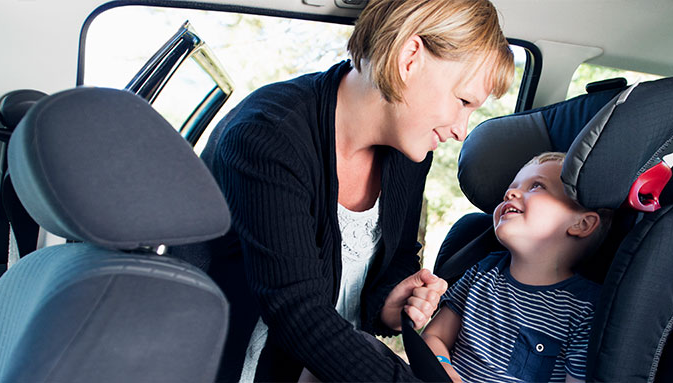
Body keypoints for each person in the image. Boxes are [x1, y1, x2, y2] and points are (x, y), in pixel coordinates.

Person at [196, 0, 515, 381]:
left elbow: (397, 256)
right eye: (463, 101)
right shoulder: (268, 135)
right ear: (410, 57)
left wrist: (387, 304)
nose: (462, 130)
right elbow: (297, 311)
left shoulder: (408, 151)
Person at [421, 152, 609, 383]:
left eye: (537, 186)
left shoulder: (586, 309)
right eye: (511, 188)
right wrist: (443, 368)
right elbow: (434, 335)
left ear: (581, 224)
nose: (510, 193)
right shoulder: (483, 272)